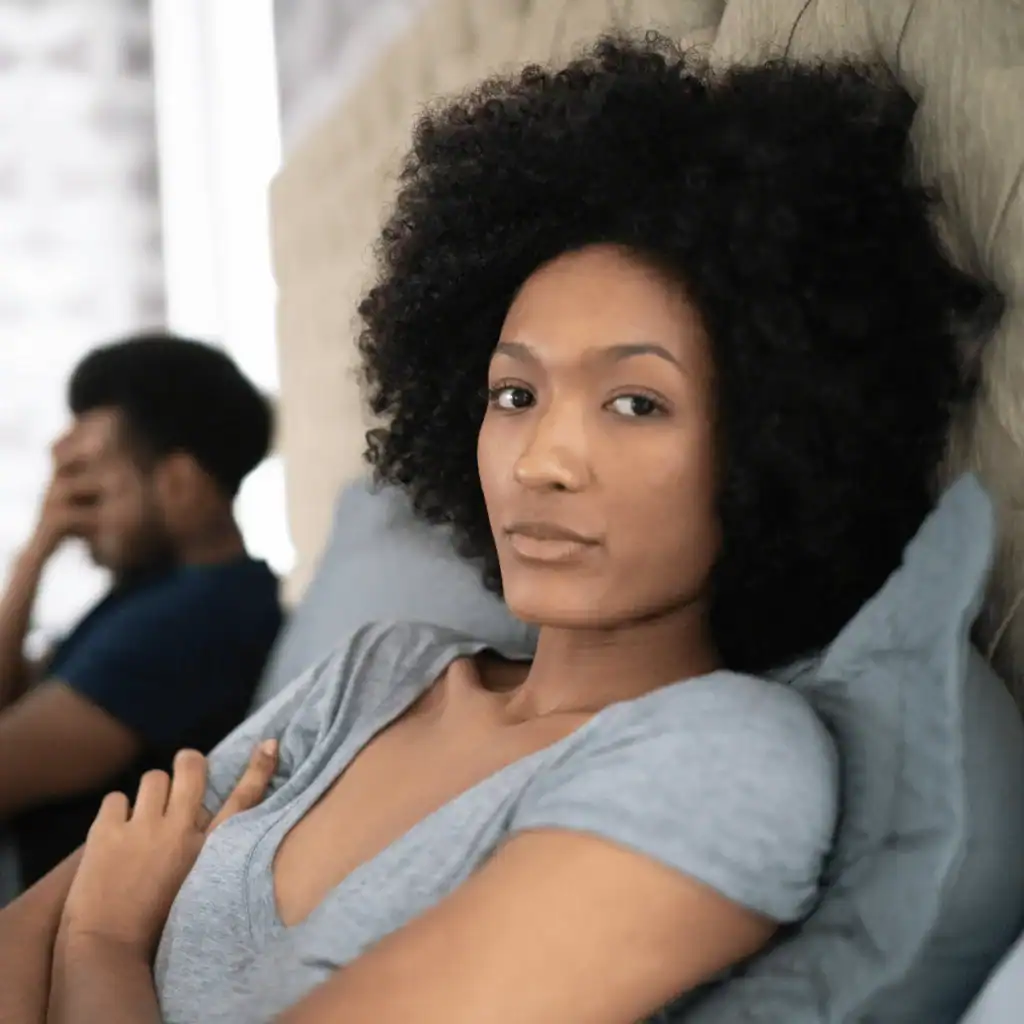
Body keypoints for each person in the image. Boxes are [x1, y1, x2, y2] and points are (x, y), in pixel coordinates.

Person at [0, 36, 990, 1024]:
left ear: (777, 434)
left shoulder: (725, 759)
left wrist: (105, 944)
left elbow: (75, 921)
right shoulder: (371, 675)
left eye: (636, 401)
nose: (538, 461)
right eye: (514, 392)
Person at [0, 332, 284, 899]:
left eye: (94, 482)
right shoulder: (153, 593)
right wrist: (36, 553)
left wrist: (38, 550)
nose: (72, 506)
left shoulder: (199, 616)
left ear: (179, 483)